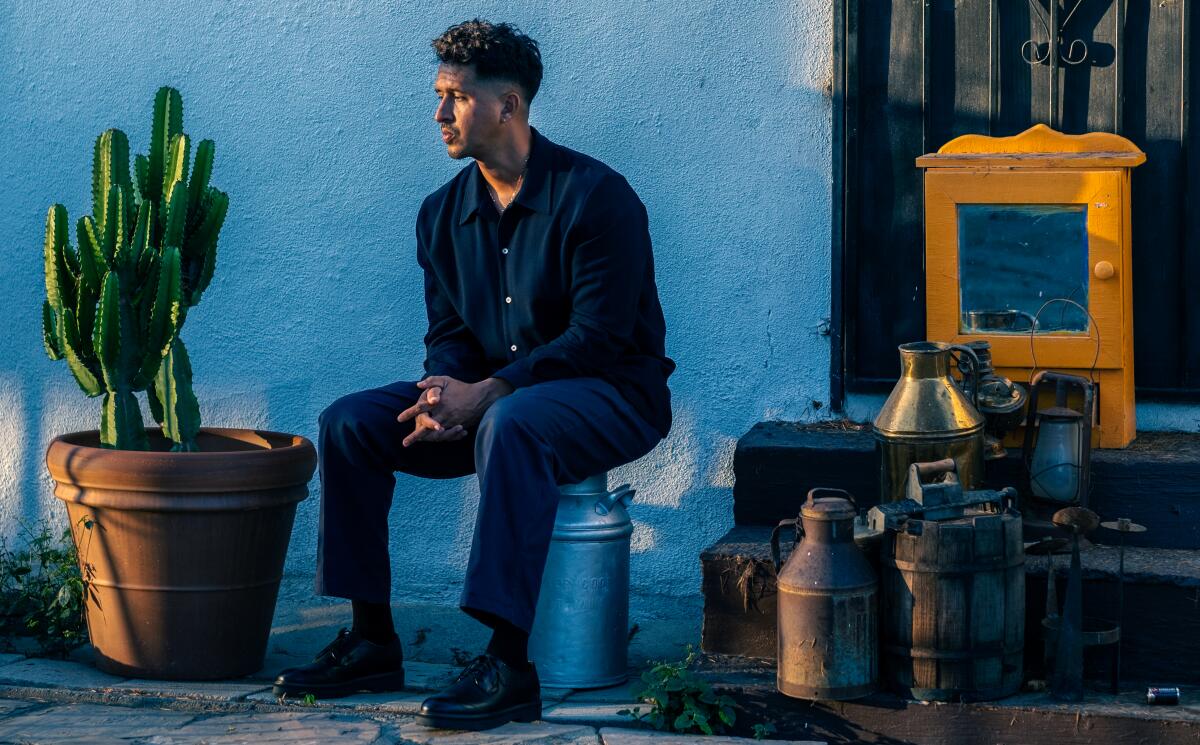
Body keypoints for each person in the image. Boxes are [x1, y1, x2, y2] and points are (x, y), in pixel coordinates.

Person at [271, 19, 675, 732]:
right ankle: (371, 638)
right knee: (352, 423)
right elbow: (450, 335)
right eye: (438, 95)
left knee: (514, 420)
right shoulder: (441, 215)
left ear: (510, 104)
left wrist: (488, 392)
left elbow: (599, 337)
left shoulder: (596, 197)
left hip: (613, 395)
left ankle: (509, 664)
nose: (438, 114)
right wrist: (438, 394)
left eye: (455, 97)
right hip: (493, 408)